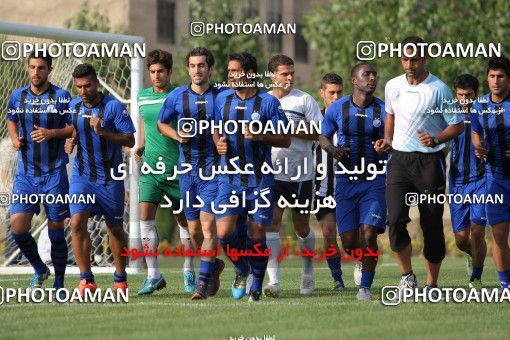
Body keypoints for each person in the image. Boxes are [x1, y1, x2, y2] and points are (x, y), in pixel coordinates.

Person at [374, 36, 464, 294]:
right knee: (395, 220)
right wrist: (388, 141)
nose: (409, 64)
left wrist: (436, 138)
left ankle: (431, 283)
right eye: (405, 59)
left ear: (424, 59)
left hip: (430, 163)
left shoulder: (439, 89)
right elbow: (390, 115)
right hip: (399, 161)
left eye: (414, 59)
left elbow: (457, 124)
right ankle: (407, 277)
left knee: (432, 224)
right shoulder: (392, 86)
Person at [214, 52, 291, 301]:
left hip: (260, 178)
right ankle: (241, 268)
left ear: (248, 74)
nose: (230, 76)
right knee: (224, 233)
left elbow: (285, 138)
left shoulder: (268, 103)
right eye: (228, 71)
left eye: (234, 71)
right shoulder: (222, 100)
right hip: (229, 177)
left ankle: (256, 284)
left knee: (257, 232)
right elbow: (216, 129)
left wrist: (260, 136)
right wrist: (219, 144)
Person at [158, 47, 223, 300]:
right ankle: (214, 265)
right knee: (193, 230)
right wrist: (176, 135)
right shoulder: (176, 97)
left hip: (213, 171)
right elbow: (162, 123)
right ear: (188, 69)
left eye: (202, 65)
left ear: (210, 68)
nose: (198, 70)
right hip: (187, 171)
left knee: (208, 228)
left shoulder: (222, 96)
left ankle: (202, 284)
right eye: (193, 66)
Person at [65, 63, 135, 295]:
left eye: (87, 86)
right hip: (82, 176)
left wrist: (103, 131)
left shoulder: (113, 107)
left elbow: (130, 140)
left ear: (96, 82)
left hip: (110, 178)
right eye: (79, 87)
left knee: (114, 228)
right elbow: (75, 127)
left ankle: (120, 279)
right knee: (76, 222)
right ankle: (87, 280)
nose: (83, 91)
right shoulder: (74, 106)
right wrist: (72, 140)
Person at [7, 51, 73, 290]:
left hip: (54, 172)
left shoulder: (61, 96)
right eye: (32, 67)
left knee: (56, 228)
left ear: (49, 69)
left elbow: (73, 127)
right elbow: (11, 119)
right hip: (26, 175)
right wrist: (14, 139)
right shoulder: (18, 96)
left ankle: (59, 281)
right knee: (18, 227)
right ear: (28, 68)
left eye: (41, 68)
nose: (36, 72)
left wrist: (51, 133)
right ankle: (39, 268)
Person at [320, 63, 387, 301]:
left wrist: (385, 145)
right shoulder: (338, 108)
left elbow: (394, 137)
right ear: (354, 81)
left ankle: (365, 288)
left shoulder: (384, 109)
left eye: (374, 74)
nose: (372, 78)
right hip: (346, 182)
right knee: (349, 244)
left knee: (369, 233)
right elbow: (323, 136)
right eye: (366, 74)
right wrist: (333, 150)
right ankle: (360, 260)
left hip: (374, 180)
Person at [135, 49, 195, 295]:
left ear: (170, 72)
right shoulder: (141, 96)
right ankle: (153, 275)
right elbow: (145, 122)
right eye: (152, 72)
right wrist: (142, 144)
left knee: (184, 221)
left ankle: (189, 270)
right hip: (150, 167)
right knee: (145, 218)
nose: (156, 76)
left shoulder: (181, 96)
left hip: (177, 168)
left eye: (161, 71)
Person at [264, 54, 323, 298]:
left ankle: (307, 272)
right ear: (271, 76)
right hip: (271, 174)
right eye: (284, 73)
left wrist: (291, 129)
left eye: (291, 73)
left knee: (301, 228)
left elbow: (320, 131)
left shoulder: (304, 100)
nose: (289, 78)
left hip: (300, 174)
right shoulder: (262, 101)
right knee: (272, 224)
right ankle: (274, 282)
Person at [471, 56, 510, 290]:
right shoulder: (479, 106)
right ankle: (506, 286)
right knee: (499, 234)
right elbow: (476, 131)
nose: (496, 81)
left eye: (501, 76)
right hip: (494, 179)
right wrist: (478, 146)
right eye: (492, 76)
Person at [448, 74, 487, 288]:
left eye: (469, 95)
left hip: (482, 180)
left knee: (478, 230)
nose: (465, 99)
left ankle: (477, 277)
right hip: (457, 183)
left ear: (476, 94)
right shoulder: (448, 113)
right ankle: (472, 254)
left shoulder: (485, 112)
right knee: (462, 239)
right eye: (461, 95)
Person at [314, 73, 348, 290]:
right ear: (322, 93)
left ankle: (360, 261)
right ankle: (337, 279)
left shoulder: (350, 118)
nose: (336, 97)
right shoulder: (314, 120)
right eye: (331, 92)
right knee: (328, 232)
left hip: (349, 185)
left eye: (339, 92)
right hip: (323, 187)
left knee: (351, 235)